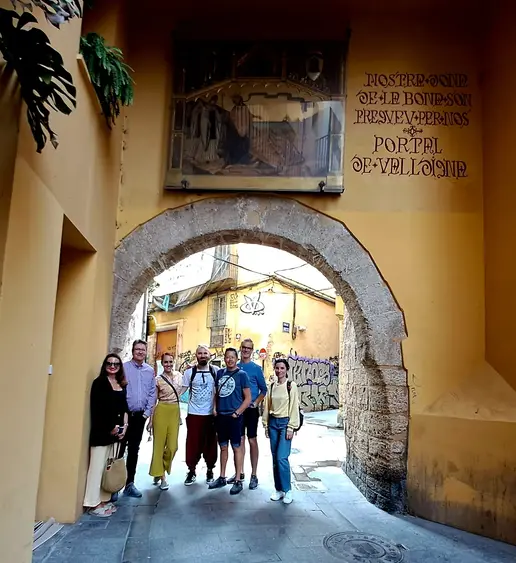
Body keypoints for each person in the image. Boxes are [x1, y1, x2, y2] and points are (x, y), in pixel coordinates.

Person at [83, 354, 128, 517]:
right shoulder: (99, 383)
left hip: (117, 434)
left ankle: (103, 499)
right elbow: (98, 409)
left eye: (116, 364)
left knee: (107, 468)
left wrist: (125, 427)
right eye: (109, 363)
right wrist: (110, 427)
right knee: (96, 468)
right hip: (102, 433)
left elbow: (124, 407)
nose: (112, 366)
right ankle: (92, 503)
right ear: (105, 365)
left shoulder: (121, 383)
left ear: (120, 367)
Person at [208, 348, 251, 495]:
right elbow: (216, 393)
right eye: (227, 357)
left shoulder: (242, 375)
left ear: (236, 358)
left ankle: (238, 479)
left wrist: (237, 412)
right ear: (224, 358)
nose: (230, 360)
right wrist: (215, 408)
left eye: (232, 357)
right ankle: (222, 476)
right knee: (223, 447)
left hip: (234, 417)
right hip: (221, 416)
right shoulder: (220, 373)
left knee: (236, 447)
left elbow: (248, 398)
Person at [227, 338, 267, 489]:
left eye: (248, 348)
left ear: (252, 350)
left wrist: (256, 402)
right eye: (244, 347)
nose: (245, 350)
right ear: (240, 348)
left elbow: (264, 390)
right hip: (237, 410)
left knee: (252, 440)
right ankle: (240, 472)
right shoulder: (235, 367)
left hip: (250, 410)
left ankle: (254, 474)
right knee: (239, 441)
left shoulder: (256, 369)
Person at [120, 339, 156, 498]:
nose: (140, 352)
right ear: (133, 351)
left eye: (143, 349)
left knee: (134, 450)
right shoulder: (124, 368)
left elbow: (152, 393)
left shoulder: (149, 371)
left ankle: (129, 484)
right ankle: (114, 485)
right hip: (124, 416)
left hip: (139, 417)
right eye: (137, 349)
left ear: (146, 352)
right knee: (119, 450)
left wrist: (146, 414)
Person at [262, 358, 300, 505]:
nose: (279, 371)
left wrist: (291, 427)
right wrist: (266, 425)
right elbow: (267, 406)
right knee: (274, 458)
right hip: (273, 423)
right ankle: (278, 489)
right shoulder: (271, 386)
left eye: (282, 368)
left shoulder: (291, 386)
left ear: (287, 369)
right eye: (277, 368)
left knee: (281, 457)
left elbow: (294, 406)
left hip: (285, 424)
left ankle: (287, 490)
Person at [182, 344, 219, 485]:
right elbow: (181, 390)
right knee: (193, 444)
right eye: (200, 353)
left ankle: (210, 469)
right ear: (196, 355)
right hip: (194, 414)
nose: (202, 356)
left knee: (211, 443)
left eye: (205, 353)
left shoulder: (216, 371)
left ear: (209, 355)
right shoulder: (189, 373)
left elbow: (220, 390)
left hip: (210, 414)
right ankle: (191, 471)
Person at [147, 352, 182, 490]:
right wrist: (150, 420)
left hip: (174, 411)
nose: (168, 364)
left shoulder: (179, 376)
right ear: (162, 363)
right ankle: (162, 477)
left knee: (173, 447)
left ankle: (159, 468)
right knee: (159, 446)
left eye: (170, 362)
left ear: (174, 362)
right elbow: (153, 400)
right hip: (161, 411)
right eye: (166, 362)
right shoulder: (157, 379)